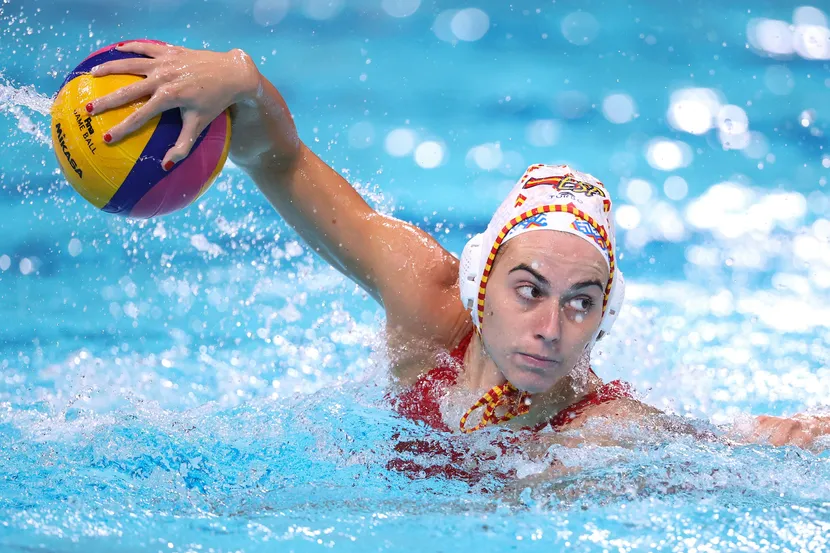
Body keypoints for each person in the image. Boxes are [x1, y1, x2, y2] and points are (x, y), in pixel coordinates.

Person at [84, 42, 829, 456]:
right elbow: (279, 160)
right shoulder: (424, 297)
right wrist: (242, 82)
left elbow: (747, 444)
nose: (550, 328)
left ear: (604, 318)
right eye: (529, 290)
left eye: (580, 304)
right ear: (480, 282)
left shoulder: (598, 430)